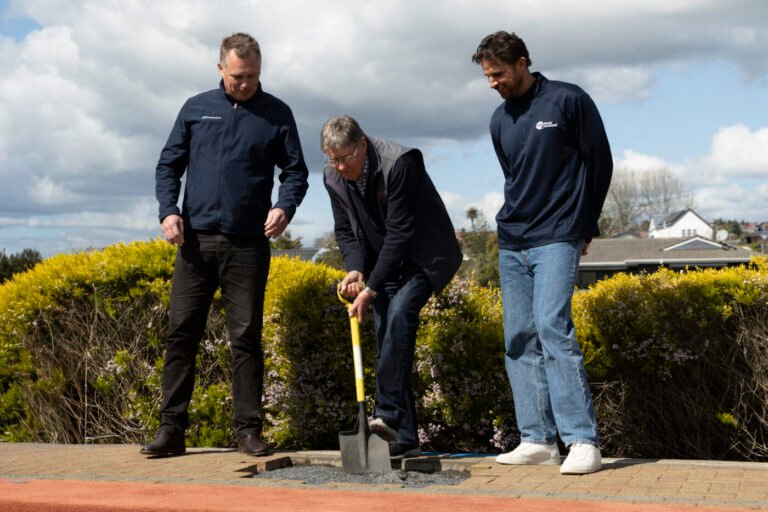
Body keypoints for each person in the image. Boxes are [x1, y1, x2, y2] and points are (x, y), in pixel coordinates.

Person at [142, 32, 309, 457]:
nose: (245, 84)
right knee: (181, 335)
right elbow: (168, 165)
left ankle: (248, 432)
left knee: (246, 338)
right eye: (237, 76)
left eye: (252, 76)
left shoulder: (277, 113)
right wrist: (168, 211)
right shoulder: (196, 109)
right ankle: (171, 430)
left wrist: (284, 207)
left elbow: (296, 172)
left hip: (248, 245)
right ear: (221, 69)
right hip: (195, 243)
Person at [471, 31, 613, 474]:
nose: (493, 82)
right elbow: (514, 176)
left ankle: (581, 440)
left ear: (522, 62)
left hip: (558, 234)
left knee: (553, 328)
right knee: (517, 338)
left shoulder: (568, 101)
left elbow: (600, 161)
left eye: (498, 74)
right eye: (487, 76)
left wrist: (585, 224)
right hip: (514, 240)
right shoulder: (499, 120)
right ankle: (537, 438)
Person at [321, 115, 462, 459]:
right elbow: (345, 230)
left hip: (424, 256)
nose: (340, 166)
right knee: (388, 340)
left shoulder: (399, 163)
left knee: (399, 319)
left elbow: (400, 232)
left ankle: (386, 415)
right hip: (381, 263)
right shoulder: (332, 177)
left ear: (363, 145)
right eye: (332, 159)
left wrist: (371, 289)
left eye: (345, 157)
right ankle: (405, 438)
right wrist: (355, 269)